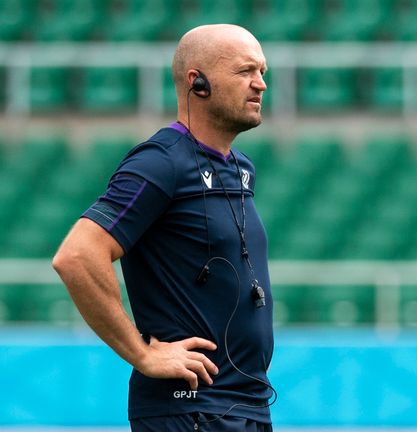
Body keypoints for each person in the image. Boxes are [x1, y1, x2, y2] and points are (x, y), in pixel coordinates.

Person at [52, 24, 274, 431]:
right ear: (198, 82)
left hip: (246, 407)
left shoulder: (241, 168)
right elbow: (77, 256)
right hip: (190, 410)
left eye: (262, 71)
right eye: (246, 72)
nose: (261, 84)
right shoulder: (160, 162)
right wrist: (143, 354)